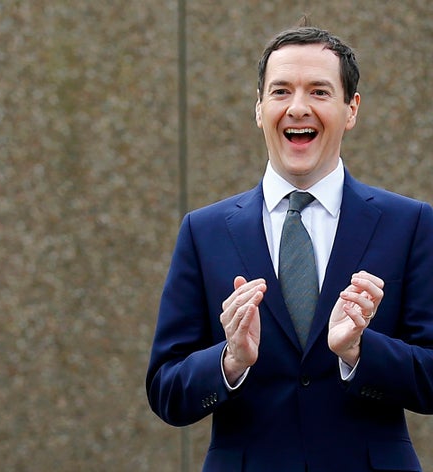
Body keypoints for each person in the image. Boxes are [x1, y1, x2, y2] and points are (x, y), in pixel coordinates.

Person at [145, 24, 433, 471]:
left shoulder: (410, 223)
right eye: (280, 92)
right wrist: (230, 360)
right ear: (259, 109)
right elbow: (166, 390)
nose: (298, 108)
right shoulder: (203, 232)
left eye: (319, 91)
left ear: (350, 109)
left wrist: (360, 352)